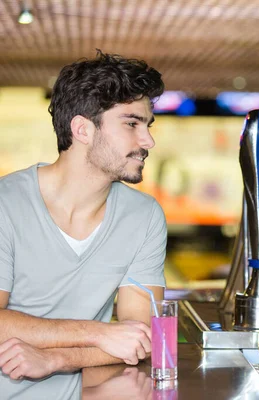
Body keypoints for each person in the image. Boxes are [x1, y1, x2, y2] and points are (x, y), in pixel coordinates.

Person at [0, 51, 166, 398]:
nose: (147, 140)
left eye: (148, 125)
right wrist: (99, 332)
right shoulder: (5, 203)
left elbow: (142, 336)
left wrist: (57, 359)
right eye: (132, 123)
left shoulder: (145, 215)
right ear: (82, 129)